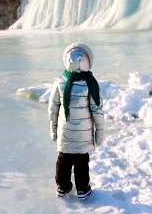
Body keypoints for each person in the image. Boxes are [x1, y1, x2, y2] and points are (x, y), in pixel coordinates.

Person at [48, 42, 104, 200]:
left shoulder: (60, 82)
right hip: (84, 134)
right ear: (88, 61)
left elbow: (53, 110)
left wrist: (53, 130)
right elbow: (97, 110)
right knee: (81, 161)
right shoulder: (92, 84)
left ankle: (62, 187)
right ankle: (82, 189)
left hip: (65, 133)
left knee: (63, 159)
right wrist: (99, 134)